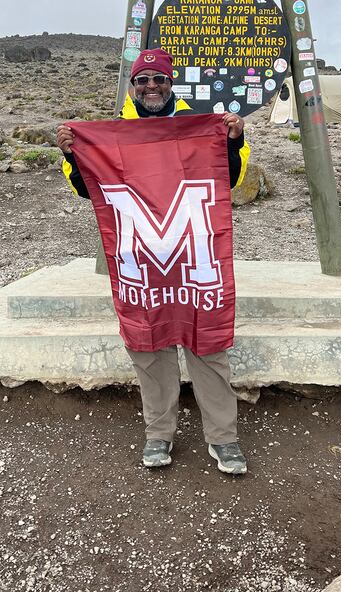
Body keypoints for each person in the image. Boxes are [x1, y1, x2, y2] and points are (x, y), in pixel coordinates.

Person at [56, 48, 250, 474]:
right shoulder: (115, 132)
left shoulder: (198, 127)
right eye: (142, 81)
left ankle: (224, 438)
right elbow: (92, 192)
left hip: (195, 255)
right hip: (142, 260)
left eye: (158, 79)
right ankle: (158, 434)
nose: (151, 87)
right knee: (149, 346)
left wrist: (233, 142)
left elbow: (228, 178)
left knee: (208, 346)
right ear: (133, 87)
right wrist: (74, 156)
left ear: (170, 82)